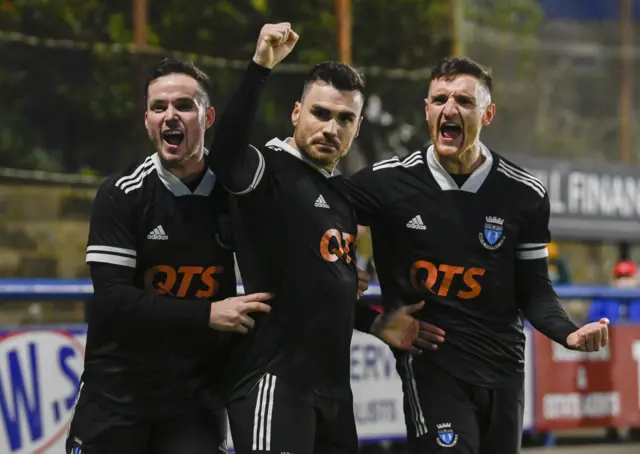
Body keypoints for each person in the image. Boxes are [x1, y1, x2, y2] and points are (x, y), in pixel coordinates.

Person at [346, 56, 610, 454]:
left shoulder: (524, 193)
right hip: (432, 369)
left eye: (464, 102)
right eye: (439, 99)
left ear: (487, 115)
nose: (449, 109)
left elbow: (535, 291)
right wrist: (352, 279)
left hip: (504, 372)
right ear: (427, 109)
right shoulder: (386, 183)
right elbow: (314, 225)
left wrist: (567, 332)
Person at [206, 23, 443, 454]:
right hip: (273, 383)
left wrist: (375, 322)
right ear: (297, 112)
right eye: (321, 113)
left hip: (333, 392)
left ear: (356, 128)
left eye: (345, 119)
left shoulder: (342, 195)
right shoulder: (268, 169)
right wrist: (260, 65)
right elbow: (222, 156)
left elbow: (323, 287)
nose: (331, 127)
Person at [65, 58, 273, 454]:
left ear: (208, 116)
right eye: (159, 107)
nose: (169, 115)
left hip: (193, 403)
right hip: (117, 397)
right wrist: (208, 314)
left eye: (183, 105)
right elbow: (112, 300)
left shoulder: (236, 194)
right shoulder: (122, 193)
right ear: (146, 120)